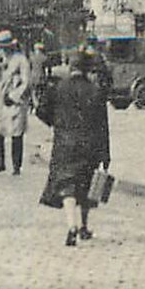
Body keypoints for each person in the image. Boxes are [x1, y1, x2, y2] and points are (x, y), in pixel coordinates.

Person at [36, 47, 112, 246]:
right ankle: (84, 226)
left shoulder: (59, 88)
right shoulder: (95, 90)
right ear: (87, 69)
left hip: (64, 143)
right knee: (86, 184)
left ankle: (71, 225)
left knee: (67, 185)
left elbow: (41, 111)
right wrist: (106, 154)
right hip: (89, 144)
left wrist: (57, 122)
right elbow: (103, 125)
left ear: (70, 67)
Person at [0, 29, 33, 175]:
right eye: (1, 47)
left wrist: (14, 96)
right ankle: (0, 162)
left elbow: (26, 81)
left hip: (14, 101)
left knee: (17, 133)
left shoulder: (21, 60)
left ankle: (16, 165)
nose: (4, 49)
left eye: (6, 47)